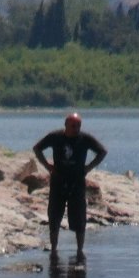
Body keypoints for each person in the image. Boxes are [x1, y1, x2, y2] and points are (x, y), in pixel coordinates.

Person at [33, 113, 107, 263]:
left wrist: (88, 167)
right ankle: (54, 249)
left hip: (77, 182)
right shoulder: (55, 136)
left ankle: (80, 251)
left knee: (79, 218)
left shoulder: (85, 139)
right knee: (54, 216)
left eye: (78, 126)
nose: (76, 129)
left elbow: (102, 152)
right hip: (58, 181)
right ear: (66, 125)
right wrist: (47, 166)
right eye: (73, 126)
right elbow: (37, 148)